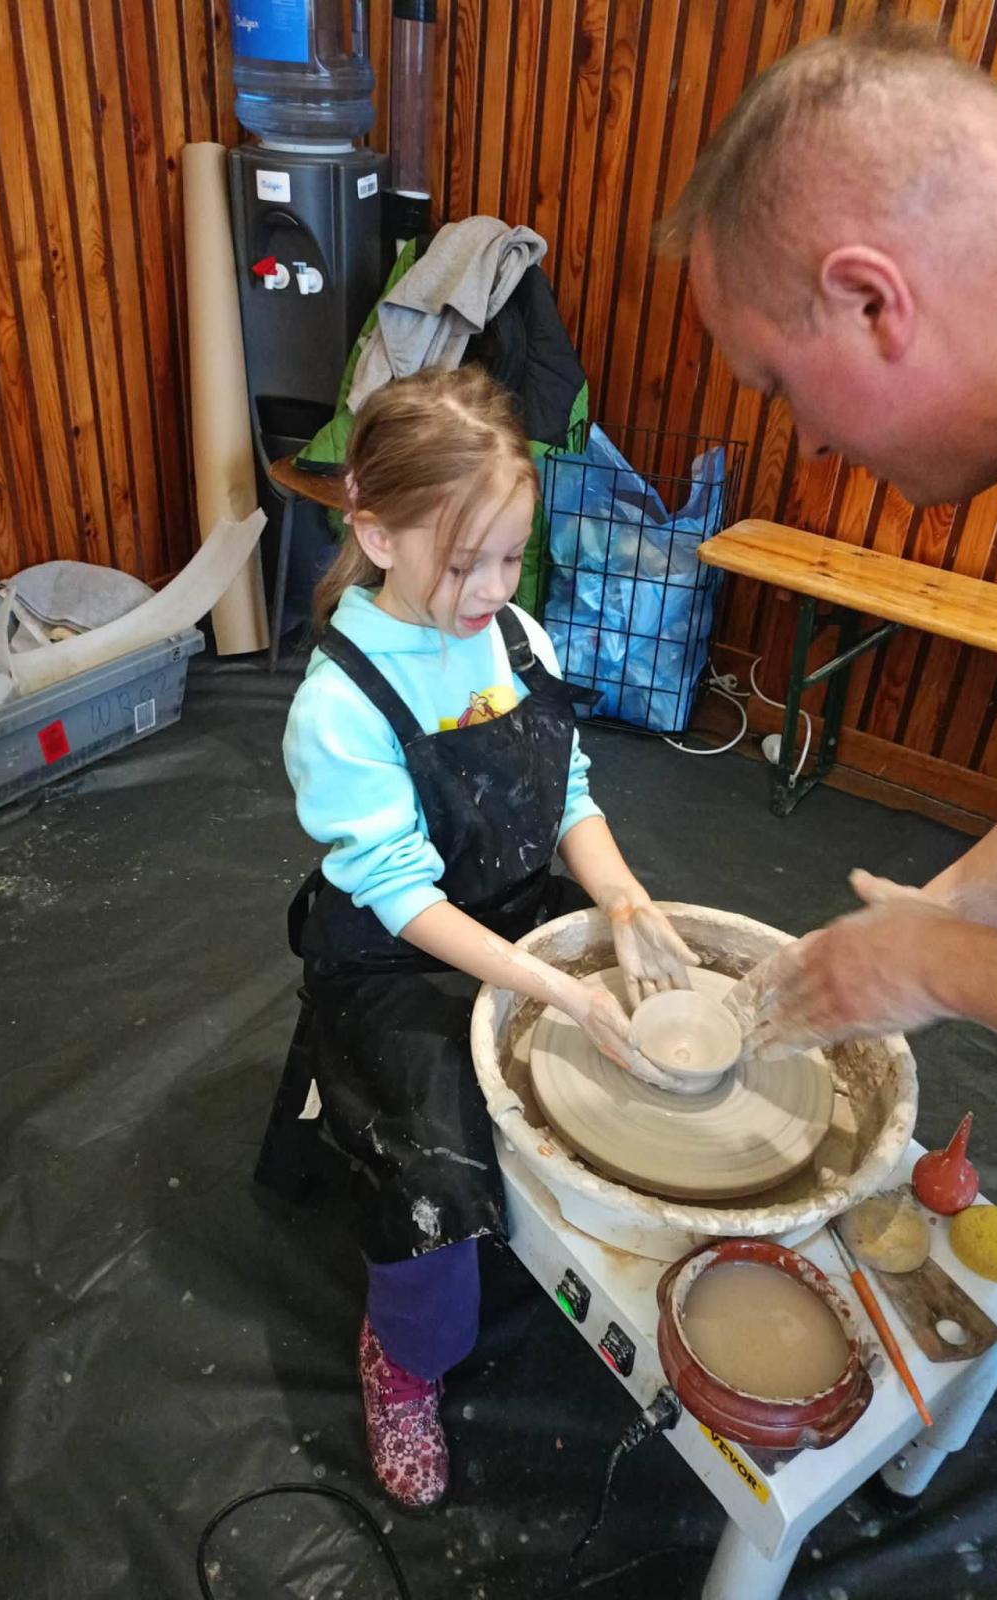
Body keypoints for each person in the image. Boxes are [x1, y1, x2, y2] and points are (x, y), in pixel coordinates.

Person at [667, 20, 997, 1415]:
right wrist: (947, 913)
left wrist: (948, 968)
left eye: (779, 386)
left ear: (873, 301)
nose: (808, 442)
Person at [281, 366, 697, 1509]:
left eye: (512, 557)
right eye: (465, 562)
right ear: (375, 531)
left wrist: (623, 901)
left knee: (650, 1022)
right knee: (436, 1169)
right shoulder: (341, 703)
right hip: (397, 954)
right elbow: (400, 895)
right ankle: (405, 1359)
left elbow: (568, 792)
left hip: (515, 906)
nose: (494, 588)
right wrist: (553, 991)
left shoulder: (517, 637)